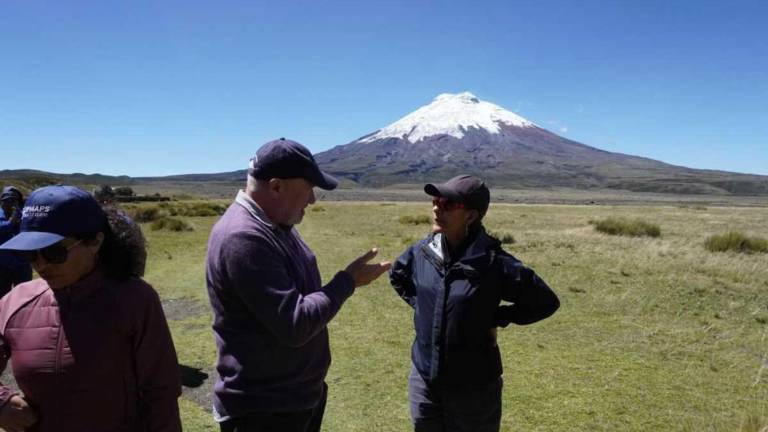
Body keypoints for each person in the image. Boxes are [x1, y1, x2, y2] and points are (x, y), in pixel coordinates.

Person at [205, 138, 391, 432]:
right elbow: (295, 323)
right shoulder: (244, 238)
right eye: (308, 189)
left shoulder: (276, 224)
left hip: (292, 400)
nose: (313, 200)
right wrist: (348, 282)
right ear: (276, 186)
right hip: (264, 412)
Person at [0, 185, 182, 432]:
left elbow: (161, 391)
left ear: (95, 241)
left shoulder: (135, 300)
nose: (40, 264)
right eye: (30, 254)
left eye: (53, 252)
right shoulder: (16, 301)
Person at [390, 175, 560, 432]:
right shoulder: (422, 251)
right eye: (436, 200)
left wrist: (497, 317)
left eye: (448, 204)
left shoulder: (494, 263)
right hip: (425, 380)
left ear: (471, 216)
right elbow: (398, 276)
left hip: (474, 389)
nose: (437, 207)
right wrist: (427, 306)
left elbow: (545, 301)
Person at [0, 186, 33, 297]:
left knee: (24, 296)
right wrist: (12, 220)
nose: (8, 204)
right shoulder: (3, 217)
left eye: (13, 200)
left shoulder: (25, 216)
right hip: (3, 265)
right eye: (5, 201)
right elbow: (2, 229)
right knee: (3, 297)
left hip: (22, 264)